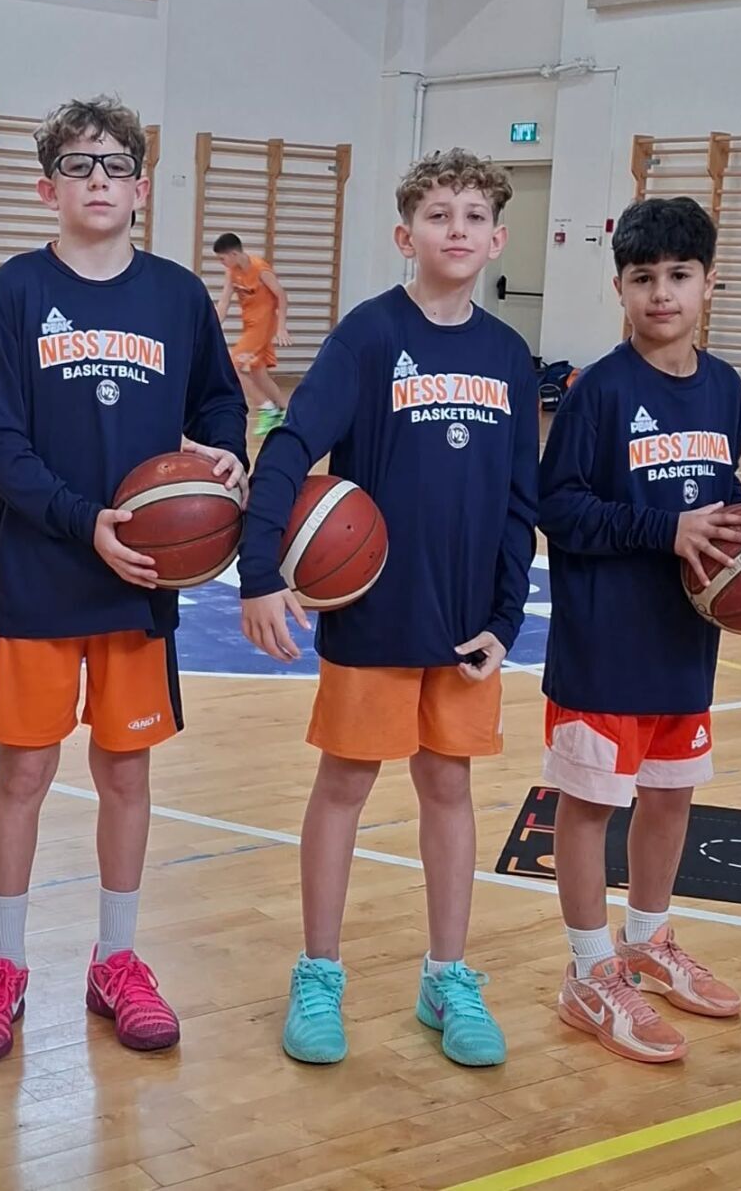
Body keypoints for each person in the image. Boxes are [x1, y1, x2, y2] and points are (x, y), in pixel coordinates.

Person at [0, 96, 247, 1064]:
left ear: (141, 186)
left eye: (115, 165)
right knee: (25, 771)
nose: (98, 180)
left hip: (142, 578)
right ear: (48, 188)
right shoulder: (14, 293)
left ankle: (116, 958)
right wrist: (87, 523)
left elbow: (219, 400)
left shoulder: (176, 297)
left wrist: (228, 455)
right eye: (78, 166)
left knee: (125, 771)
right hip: (45, 569)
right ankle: (3, 966)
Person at [238, 148, 539, 1068]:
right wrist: (259, 570)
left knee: (449, 788)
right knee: (344, 786)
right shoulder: (369, 337)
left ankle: (447, 976)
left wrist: (506, 619)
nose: (457, 229)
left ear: (498, 238)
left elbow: (519, 504)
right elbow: (291, 444)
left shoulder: (508, 355)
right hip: (373, 616)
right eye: (438, 215)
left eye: (474, 215)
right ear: (406, 237)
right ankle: (318, 971)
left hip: (464, 625)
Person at [538, 196, 741, 1064]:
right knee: (592, 805)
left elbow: (720, 495)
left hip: (683, 639)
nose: (661, 293)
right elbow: (559, 508)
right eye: (643, 278)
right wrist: (665, 530)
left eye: (679, 275)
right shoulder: (599, 392)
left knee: (670, 794)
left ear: (709, 283)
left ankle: (647, 942)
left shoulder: (726, 388)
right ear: (620, 288)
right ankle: (590, 972)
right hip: (603, 642)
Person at [213, 232, 290, 436]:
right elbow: (224, 302)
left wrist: (281, 326)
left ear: (234, 254)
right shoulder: (232, 273)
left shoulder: (260, 270)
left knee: (232, 367)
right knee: (259, 374)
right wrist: (211, 327)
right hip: (250, 326)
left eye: (222, 259)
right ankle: (288, 413)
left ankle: (267, 409)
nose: (222, 263)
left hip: (262, 327)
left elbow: (281, 295)